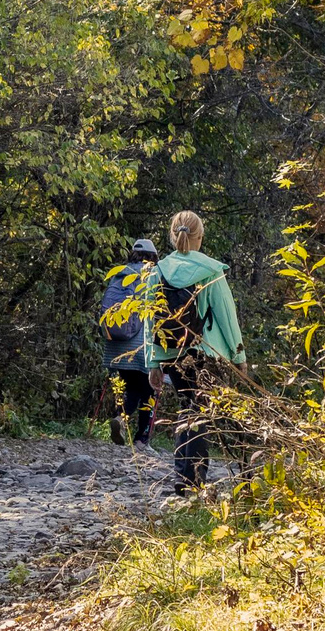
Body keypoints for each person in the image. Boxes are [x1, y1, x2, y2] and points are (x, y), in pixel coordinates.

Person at [157, 210, 247, 492]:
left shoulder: (159, 270)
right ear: (200, 237)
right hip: (204, 352)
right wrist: (239, 355)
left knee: (187, 409)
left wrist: (153, 363)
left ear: (173, 236)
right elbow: (226, 316)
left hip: (172, 353)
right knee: (200, 412)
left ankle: (182, 477)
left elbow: (151, 320)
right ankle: (193, 480)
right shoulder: (211, 270)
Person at [98, 237, 164, 446]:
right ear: (153, 257)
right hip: (141, 345)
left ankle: (120, 418)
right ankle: (141, 439)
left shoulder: (119, 273)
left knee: (130, 388)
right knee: (149, 391)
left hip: (117, 345)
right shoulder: (153, 275)